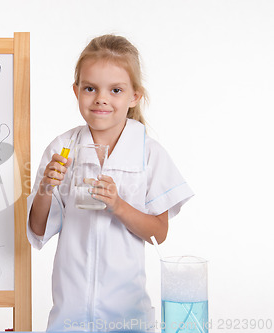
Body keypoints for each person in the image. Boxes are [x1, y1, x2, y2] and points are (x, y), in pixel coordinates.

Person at [27, 34, 194, 331]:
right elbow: (38, 229)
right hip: (70, 317)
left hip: (127, 319)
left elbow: (158, 233)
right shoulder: (62, 148)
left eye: (115, 90)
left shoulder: (148, 152)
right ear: (77, 91)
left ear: (134, 97)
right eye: (90, 88)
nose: (101, 98)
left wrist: (118, 206)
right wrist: (45, 188)